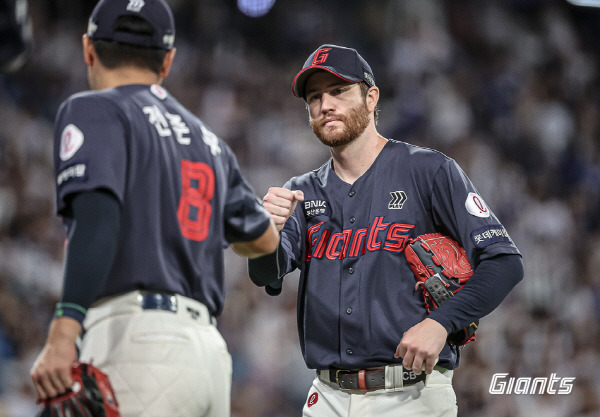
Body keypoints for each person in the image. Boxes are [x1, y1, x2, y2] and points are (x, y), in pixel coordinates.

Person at [29, 1, 280, 416]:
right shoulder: (211, 142)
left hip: (135, 340)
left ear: (89, 49)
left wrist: (62, 333)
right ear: (167, 61)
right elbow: (265, 240)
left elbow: (98, 220)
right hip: (209, 357)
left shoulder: (95, 109)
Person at [248, 44, 524, 417]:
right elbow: (266, 272)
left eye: (339, 91)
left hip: (410, 396)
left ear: (371, 96)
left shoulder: (428, 171)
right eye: (314, 97)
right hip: (326, 397)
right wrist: (267, 231)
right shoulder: (303, 190)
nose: (325, 104)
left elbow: (505, 262)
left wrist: (441, 323)